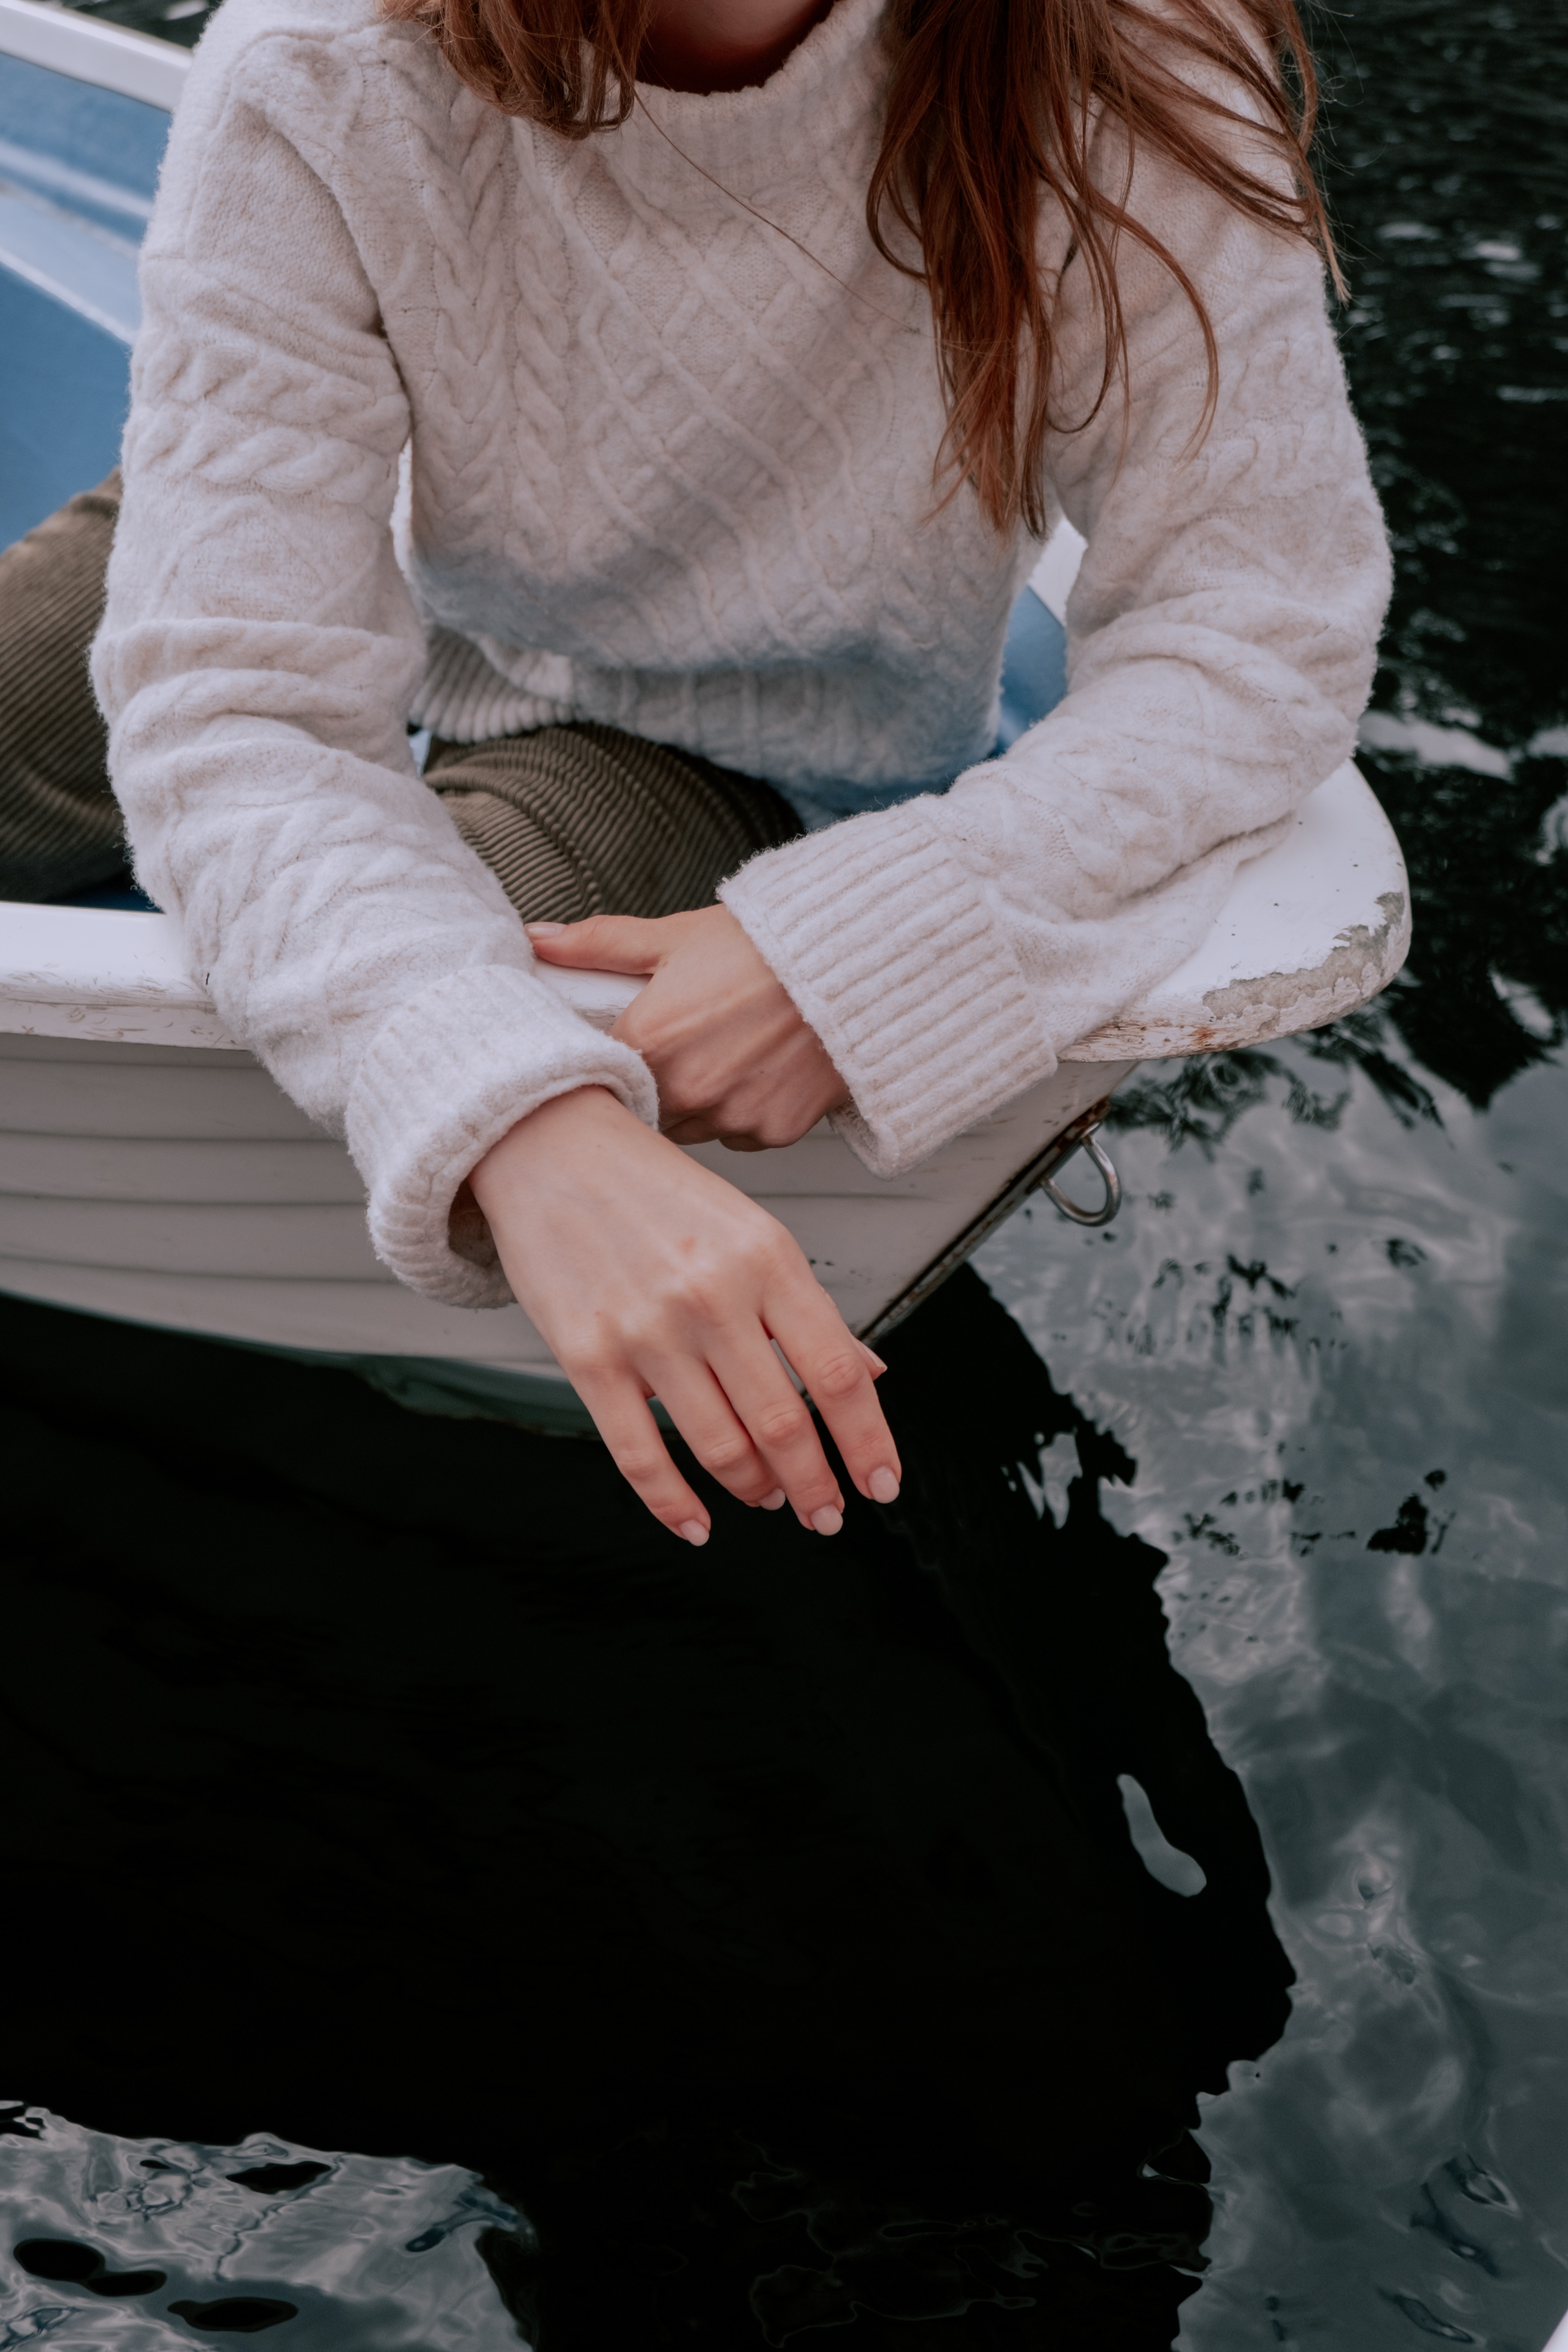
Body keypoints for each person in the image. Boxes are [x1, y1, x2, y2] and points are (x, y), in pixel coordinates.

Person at [12, 0, 1389, 1542]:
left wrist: (868, 941)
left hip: (709, 742)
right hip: (340, 518)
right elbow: (232, 697)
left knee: (503, 944)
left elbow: (1261, 618)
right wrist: (515, 1118)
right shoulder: (322, 61)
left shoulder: (1112, 45)